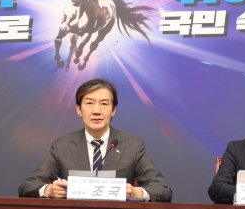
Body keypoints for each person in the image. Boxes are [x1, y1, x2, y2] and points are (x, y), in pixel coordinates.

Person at [18, 78, 172, 202]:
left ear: (113, 110)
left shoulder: (132, 146)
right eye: (89, 103)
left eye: (104, 104)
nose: (96, 111)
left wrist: (137, 192)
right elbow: (28, 186)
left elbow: (163, 190)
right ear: (79, 109)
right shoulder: (62, 146)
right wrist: (48, 190)